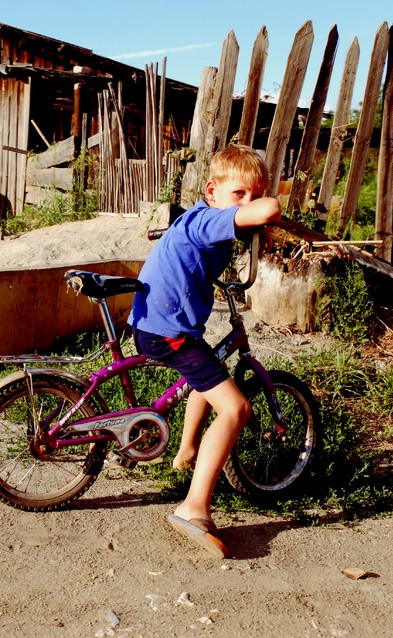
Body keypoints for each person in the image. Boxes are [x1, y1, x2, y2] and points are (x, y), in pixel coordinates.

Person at [128, 145, 281, 558]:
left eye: (255, 192)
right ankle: (194, 507)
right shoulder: (207, 220)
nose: (247, 201)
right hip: (167, 330)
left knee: (209, 376)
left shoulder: (199, 219)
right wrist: (270, 201)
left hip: (159, 323)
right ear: (212, 191)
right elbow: (265, 213)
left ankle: (185, 451)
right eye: (240, 193)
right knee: (235, 409)